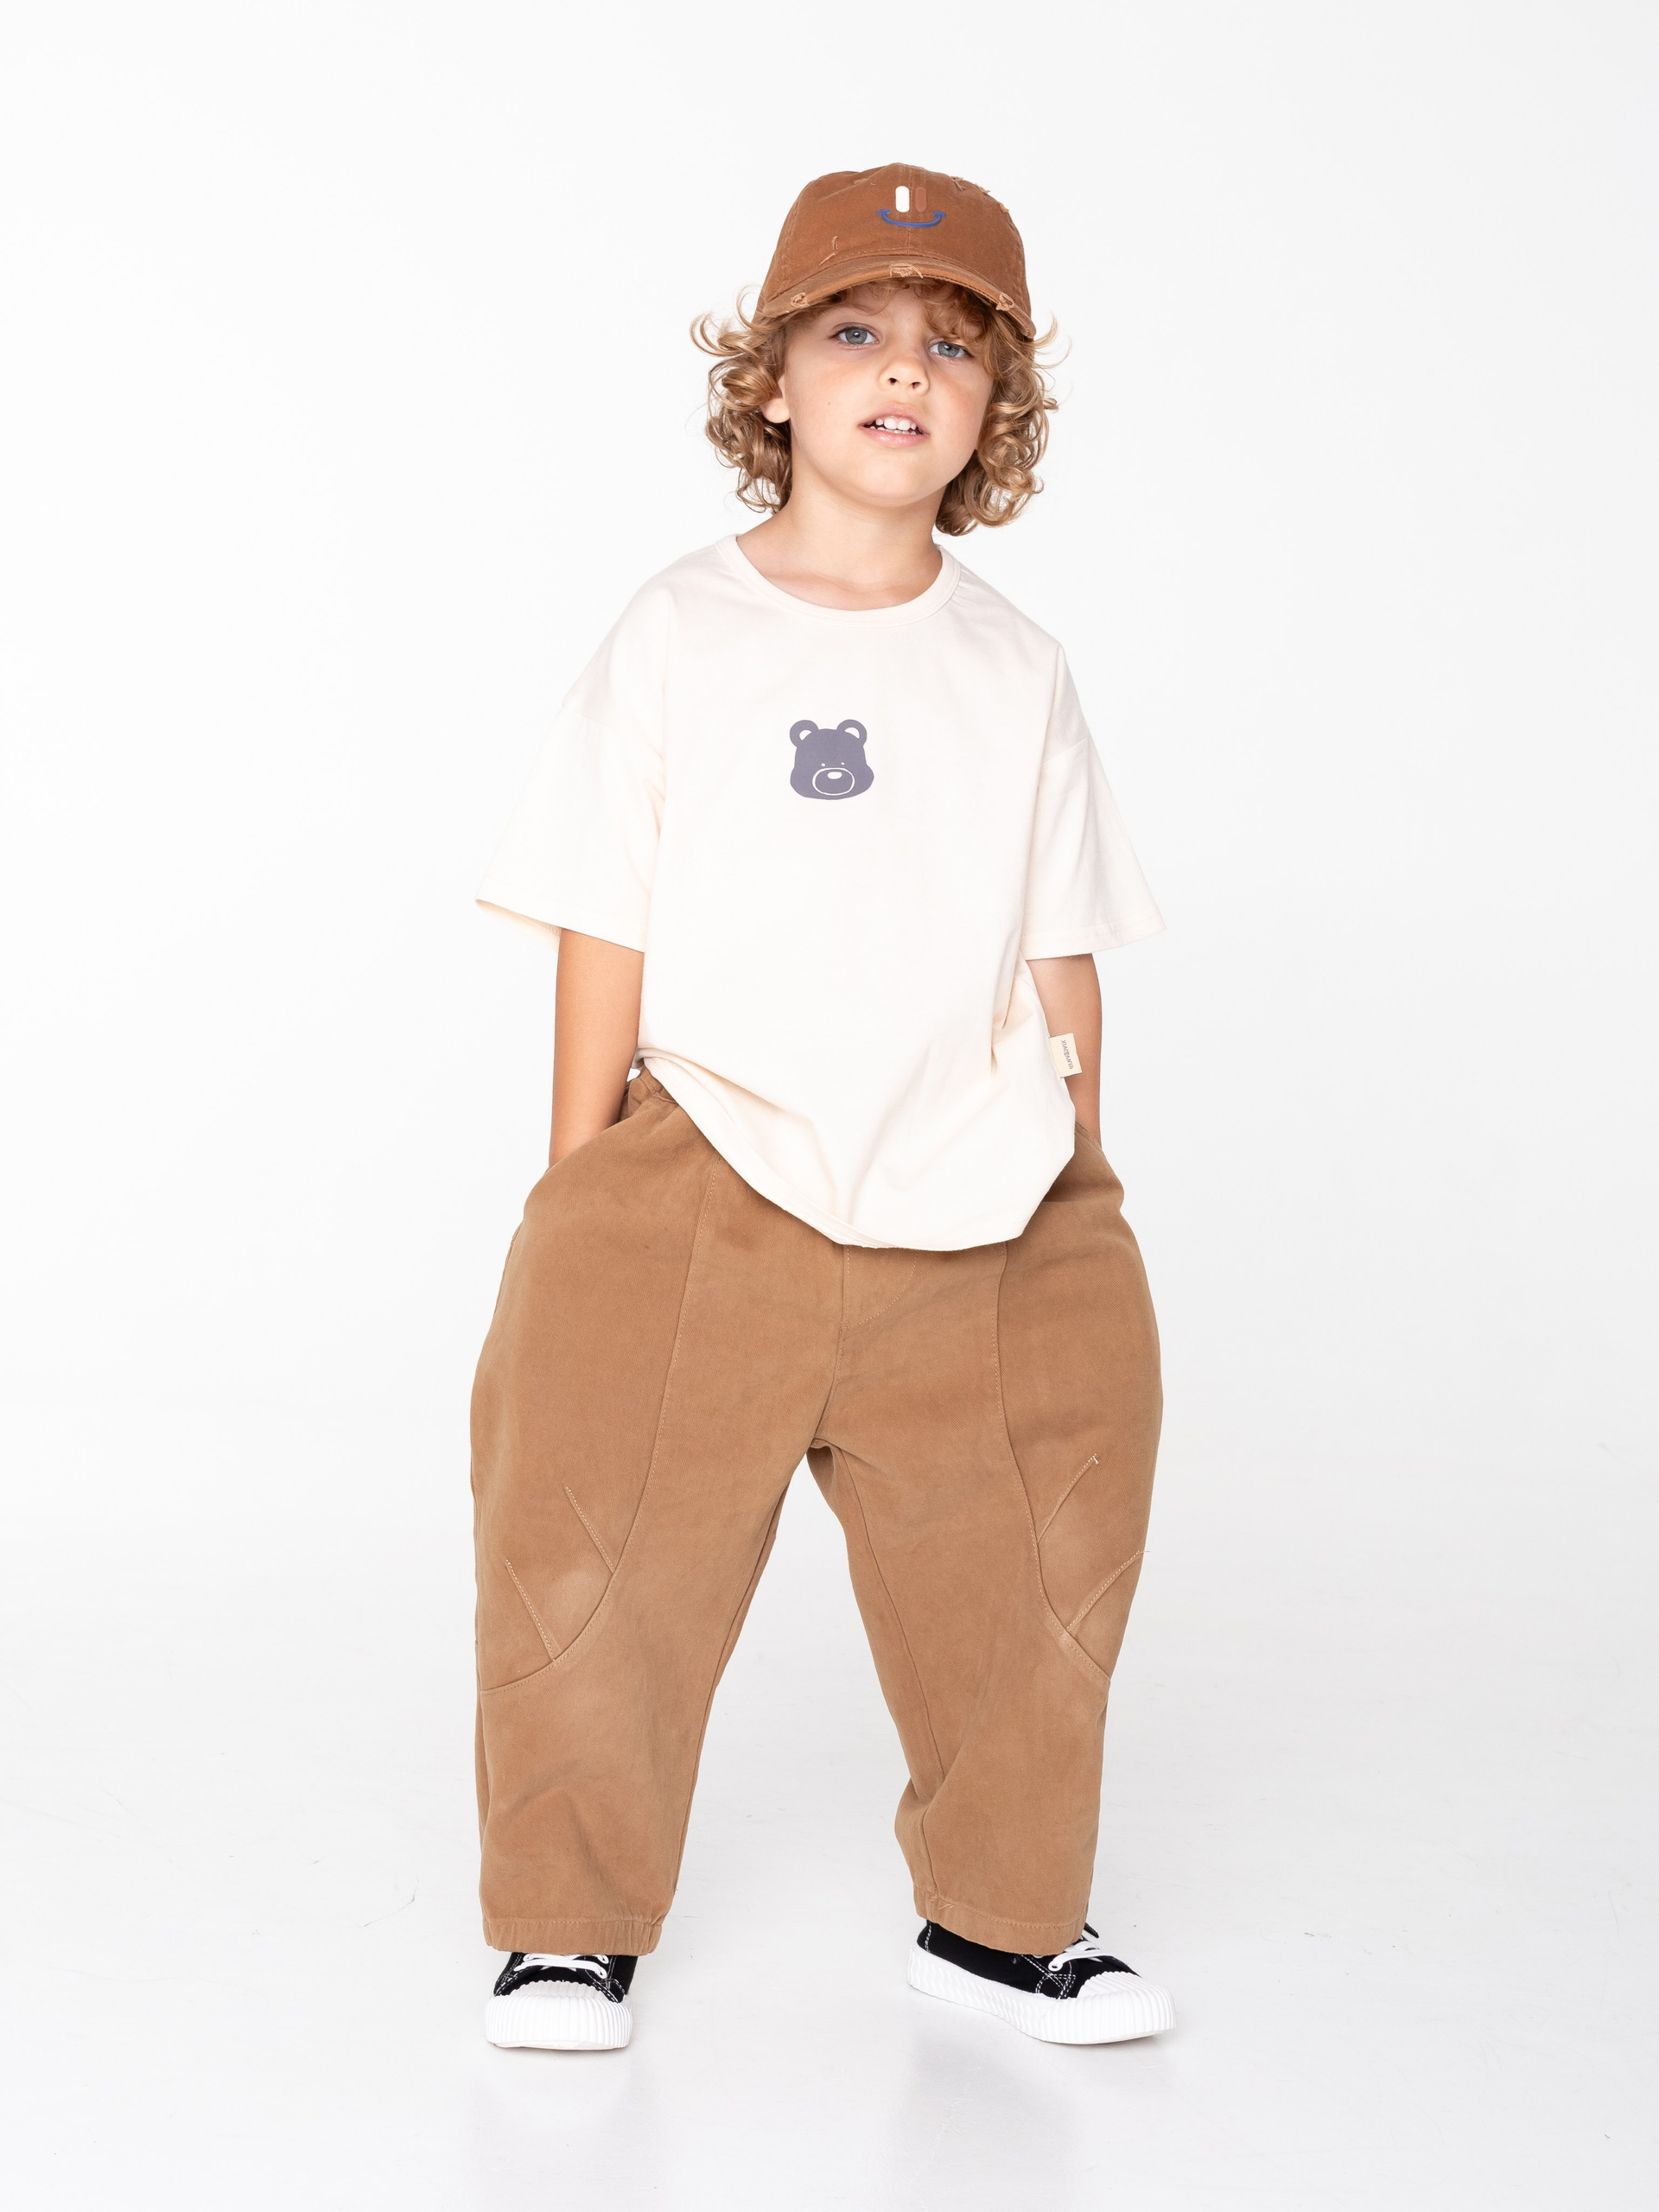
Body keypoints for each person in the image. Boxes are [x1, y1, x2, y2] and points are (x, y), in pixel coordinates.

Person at [470, 163, 1171, 2054]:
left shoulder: (1016, 666)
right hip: (709, 1168)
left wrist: (1085, 1167)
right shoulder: (680, 630)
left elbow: (1061, 949)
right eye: (854, 331)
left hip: (984, 1188)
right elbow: (604, 919)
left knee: (1034, 1559)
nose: (903, 370)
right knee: (596, 1552)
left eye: (953, 346)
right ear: (770, 381)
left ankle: (1006, 1916)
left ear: (995, 411)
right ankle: (568, 1923)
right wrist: (577, 1198)